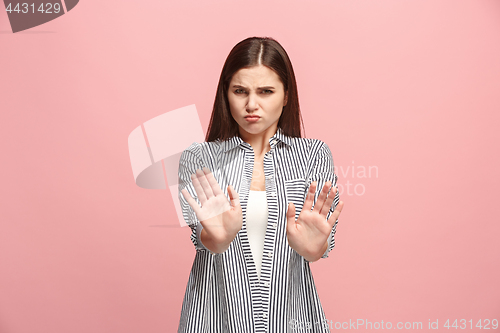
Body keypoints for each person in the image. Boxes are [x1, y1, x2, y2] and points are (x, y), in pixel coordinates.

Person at [177, 36, 344, 333]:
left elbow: (317, 249)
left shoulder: (314, 155)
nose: (251, 105)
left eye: (265, 91)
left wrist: (315, 247)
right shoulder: (197, 158)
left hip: (292, 319)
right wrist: (216, 238)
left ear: (286, 95)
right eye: (240, 91)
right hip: (214, 319)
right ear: (225, 94)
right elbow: (202, 239)